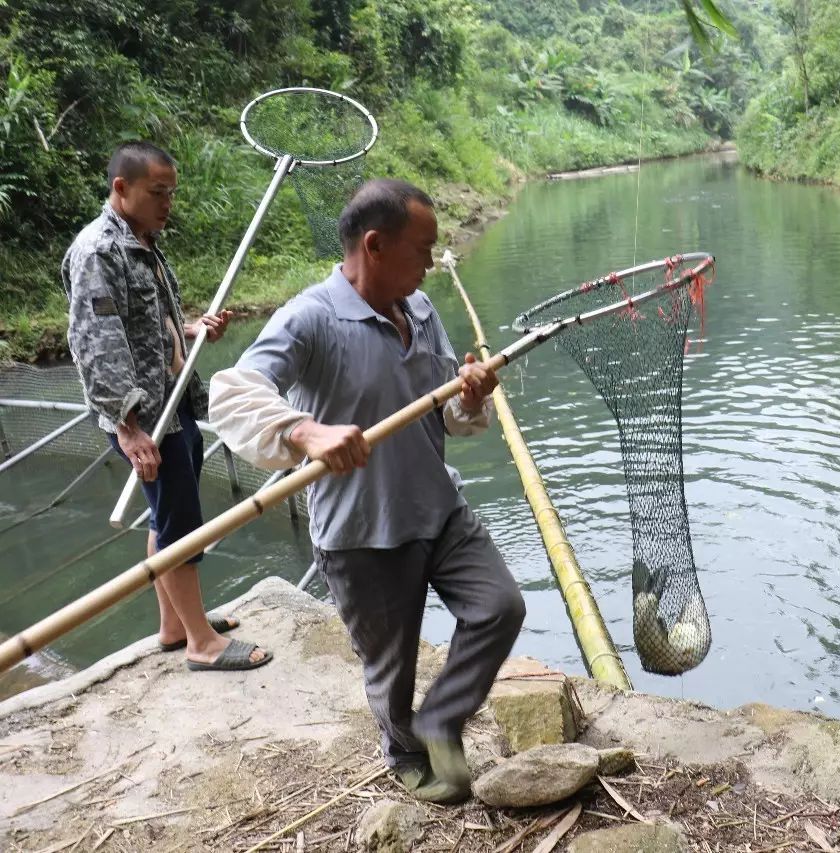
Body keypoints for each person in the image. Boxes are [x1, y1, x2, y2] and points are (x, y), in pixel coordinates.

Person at [208, 178, 525, 804]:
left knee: (500, 607)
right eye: (423, 249)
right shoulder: (309, 320)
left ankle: (440, 720)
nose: (431, 263)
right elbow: (232, 391)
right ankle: (405, 751)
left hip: (440, 508)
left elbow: (443, 414)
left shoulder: (422, 310)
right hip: (362, 532)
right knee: (391, 667)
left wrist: (468, 393)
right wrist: (303, 429)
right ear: (374, 245)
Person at [62, 140, 271, 672]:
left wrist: (193, 329)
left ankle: (175, 626)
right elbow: (96, 344)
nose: (167, 203)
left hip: (171, 401)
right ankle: (202, 644)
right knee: (180, 524)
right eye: (157, 193)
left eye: (171, 193)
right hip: (145, 416)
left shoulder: (143, 241)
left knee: (169, 515)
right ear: (121, 188)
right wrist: (128, 429)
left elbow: (146, 326)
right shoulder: (98, 252)